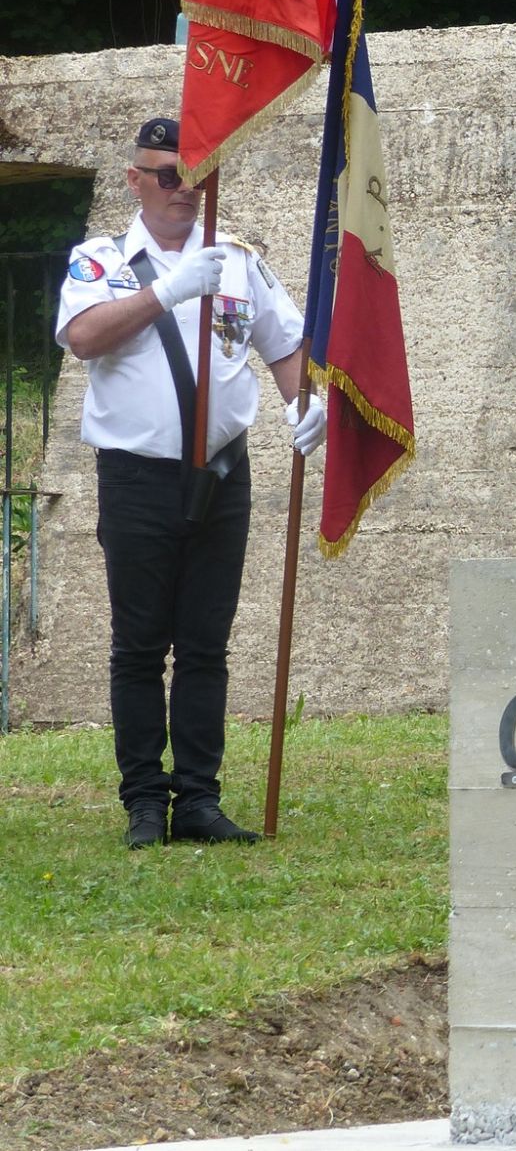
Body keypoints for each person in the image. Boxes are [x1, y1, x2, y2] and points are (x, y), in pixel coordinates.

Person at [55, 117, 327, 848]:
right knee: (140, 645)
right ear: (135, 181)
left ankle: (199, 798)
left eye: (197, 174)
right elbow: (83, 338)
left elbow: (285, 343)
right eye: (168, 175)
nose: (185, 188)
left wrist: (304, 403)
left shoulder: (237, 260)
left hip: (223, 471)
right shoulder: (101, 260)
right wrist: (168, 291)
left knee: (207, 643)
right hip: (137, 477)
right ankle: (145, 800)